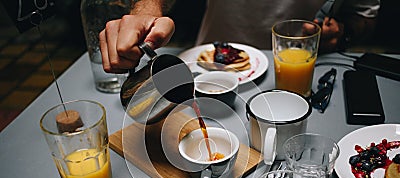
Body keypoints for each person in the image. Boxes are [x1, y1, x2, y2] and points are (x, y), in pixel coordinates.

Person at [99, 0, 380, 74]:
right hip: (205, 66)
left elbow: (365, 15)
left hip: (307, 69)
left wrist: (341, 34)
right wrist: (147, 8)